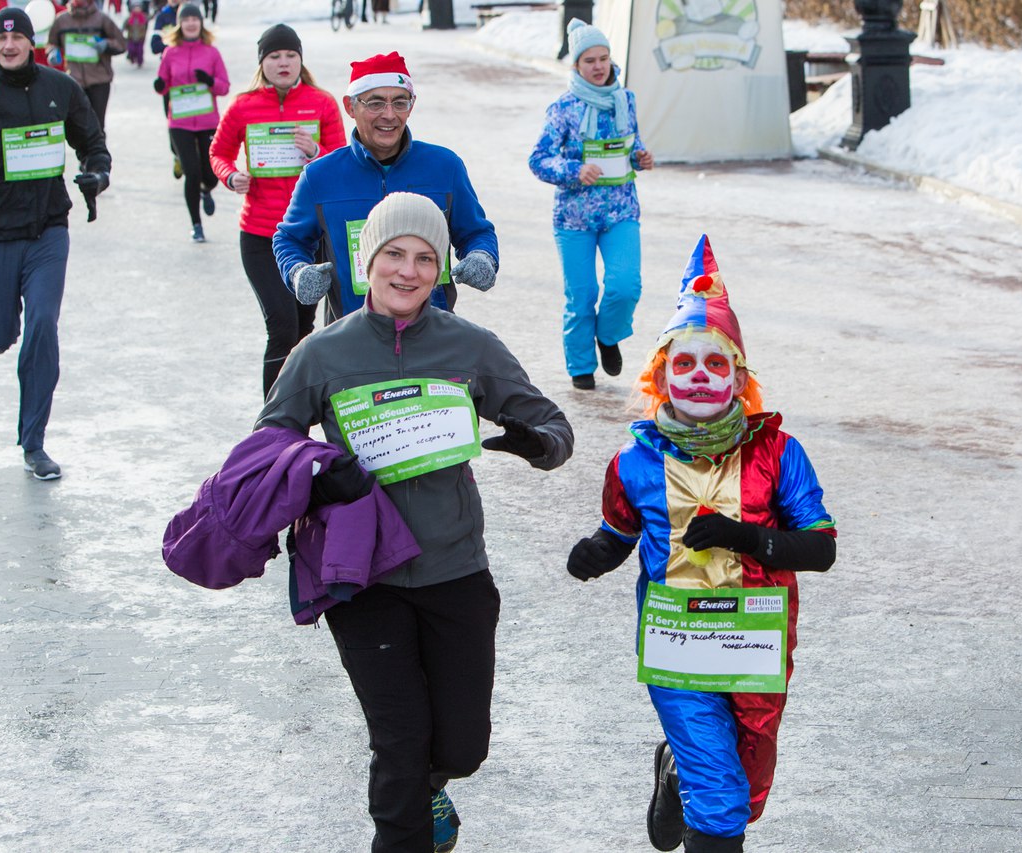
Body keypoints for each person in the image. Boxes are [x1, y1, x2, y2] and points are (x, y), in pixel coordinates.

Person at [258, 192, 573, 852]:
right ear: (365, 261)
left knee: (462, 742)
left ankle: (435, 781)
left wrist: (535, 442)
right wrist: (318, 470)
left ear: (443, 269)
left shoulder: (471, 345)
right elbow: (267, 447)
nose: (408, 271)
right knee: (397, 741)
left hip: (453, 565)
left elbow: (554, 426)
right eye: (394, 255)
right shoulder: (321, 353)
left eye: (426, 258)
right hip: (361, 576)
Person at [565, 235, 836, 853]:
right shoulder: (633, 462)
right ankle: (695, 780)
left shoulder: (778, 453)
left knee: (749, 781)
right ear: (660, 376)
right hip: (677, 641)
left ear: (741, 379)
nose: (700, 376)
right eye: (684, 363)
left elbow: (820, 549)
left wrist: (746, 538)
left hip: (757, 640)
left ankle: (675, 770)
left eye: (717, 364)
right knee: (721, 801)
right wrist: (596, 554)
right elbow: (619, 531)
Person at [0, 7, 111, 480]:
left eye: (18, 39)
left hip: (48, 230)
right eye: (0, 40)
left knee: (43, 326)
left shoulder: (60, 88)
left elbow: (92, 141)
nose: (9, 46)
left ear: (32, 42)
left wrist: (98, 172)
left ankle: (34, 442)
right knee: (3, 330)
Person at [273, 51, 499, 324]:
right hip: (351, 332)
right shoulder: (320, 175)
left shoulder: (444, 166)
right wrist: (297, 271)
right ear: (350, 107)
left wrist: (482, 257)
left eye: (399, 102)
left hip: (432, 328)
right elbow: (290, 239)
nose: (389, 115)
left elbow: (476, 231)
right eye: (376, 103)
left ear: (411, 106)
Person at [210, 23, 345, 397]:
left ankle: (298, 406)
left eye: (290, 55)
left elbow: (342, 161)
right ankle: (274, 423)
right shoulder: (244, 105)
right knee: (281, 325)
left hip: (312, 236)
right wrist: (231, 175)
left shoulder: (321, 102)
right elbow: (218, 152)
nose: (284, 63)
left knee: (303, 329)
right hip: (260, 233)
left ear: (301, 59)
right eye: (275, 56)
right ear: (262, 63)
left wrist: (316, 152)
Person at [529, 18, 654, 391]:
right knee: (581, 295)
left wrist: (641, 158)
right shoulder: (563, 108)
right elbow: (538, 160)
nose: (599, 67)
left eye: (604, 58)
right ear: (576, 66)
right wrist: (574, 170)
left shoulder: (625, 99)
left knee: (625, 286)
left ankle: (609, 335)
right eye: (589, 60)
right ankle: (581, 363)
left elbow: (629, 147)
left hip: (621, 211)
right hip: (574, 218)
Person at [152, 3, 227, 242]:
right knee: (191, 173)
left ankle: (207, 190)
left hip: (207, 121)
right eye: (187, 19)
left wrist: (209, 81)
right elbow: (162, 83)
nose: (191, 23)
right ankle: (196, 224)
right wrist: (160, 86)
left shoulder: (211, 52)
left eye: (195, 19)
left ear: (201, 23)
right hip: (180, 122)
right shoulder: (170, 52)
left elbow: (224, 86)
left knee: (210, 174)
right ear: (180, 24)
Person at [47, 0, 125, 129]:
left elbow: (121, 43)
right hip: (73, 80)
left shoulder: (102, 19)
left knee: (97, 126)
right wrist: (53, 52)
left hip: (99, 80)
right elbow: (51, 42)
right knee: (77, 126)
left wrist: (106, 44)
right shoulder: (61, 20)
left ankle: (99, 149)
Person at [121, 0, 145, 66]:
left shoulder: (143, 18)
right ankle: (132, 58)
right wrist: (121, 32)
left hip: (140, 38)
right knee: (131, 50)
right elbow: (124, 26)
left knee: (140, 51)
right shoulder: (129, 18)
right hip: (131, 37)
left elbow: (149, 20)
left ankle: (140, 62)